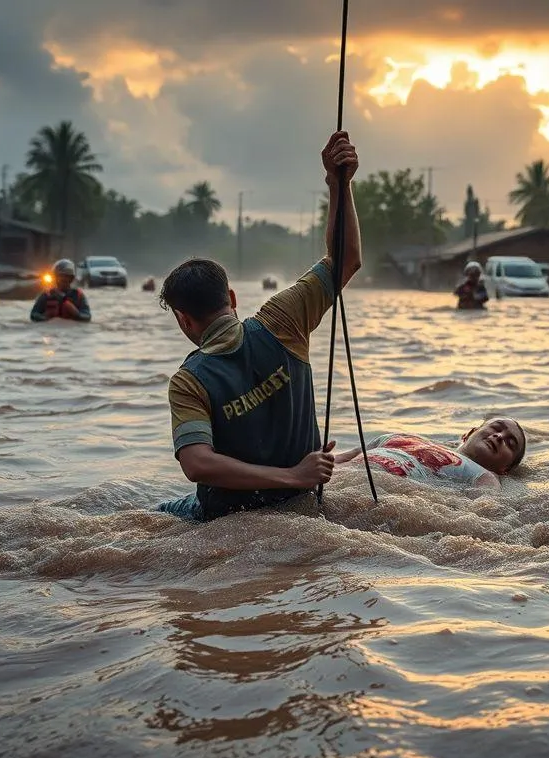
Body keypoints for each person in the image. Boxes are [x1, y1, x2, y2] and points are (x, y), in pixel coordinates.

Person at [157, 131, 361, 522]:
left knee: (149, 515)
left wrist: (290, 476)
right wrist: (339, 185)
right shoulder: (283, 320)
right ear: (231, 298)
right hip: (299, 502)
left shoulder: (188, 381)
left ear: (183, 320)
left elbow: (197, 464)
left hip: (221, 519)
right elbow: (345, 260)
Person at [333, 418, 526, 490]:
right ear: (468, 434)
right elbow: (341, 458)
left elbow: (482, 509)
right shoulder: (401, 436)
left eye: (510, 443)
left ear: (505, 469)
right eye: (496, 428)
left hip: (373, 490)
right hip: (337, 477)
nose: (500, 436)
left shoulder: (484, 477)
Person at [30, 258, 92, 322]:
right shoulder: (46, 295)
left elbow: (87, 316)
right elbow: (33, 314)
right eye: (61, 276)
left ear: (71, 279)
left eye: (66, 276)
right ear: (55, 278)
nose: (64, 279)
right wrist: (44, 318)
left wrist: (76, 314)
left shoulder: (78, 295)